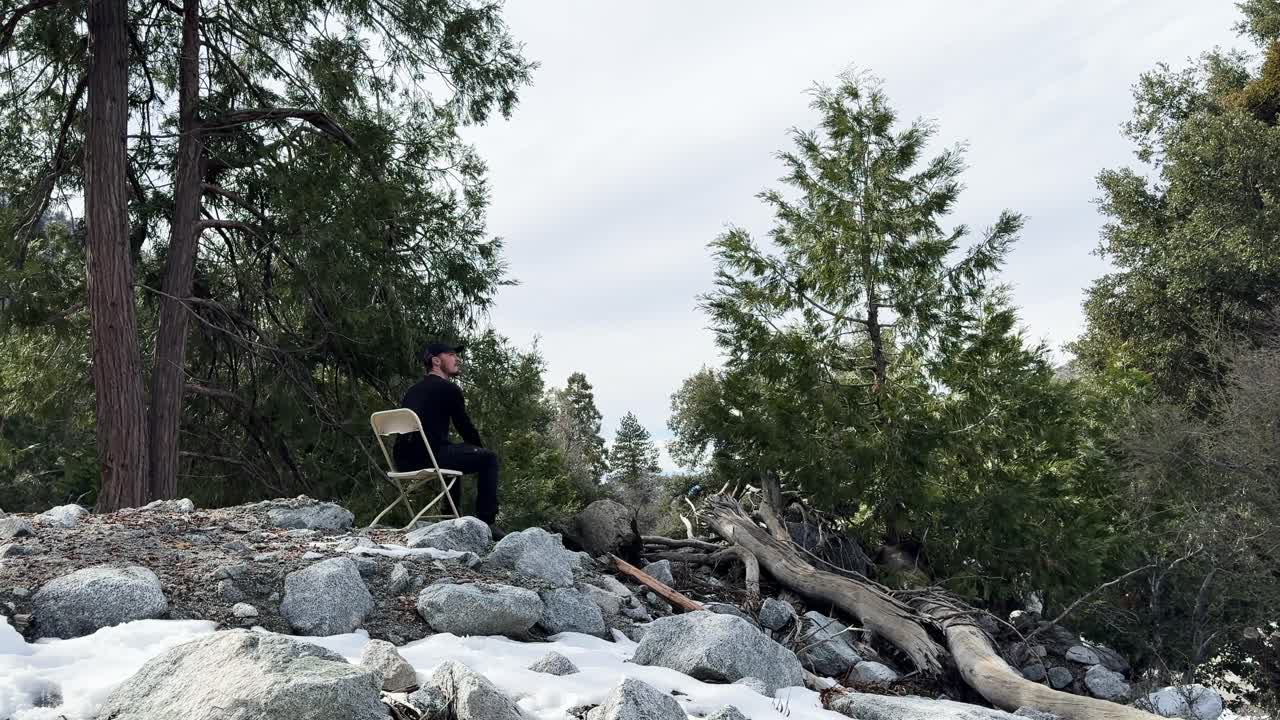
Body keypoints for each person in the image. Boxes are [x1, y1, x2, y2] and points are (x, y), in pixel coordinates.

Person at [394, 341, 501, 533]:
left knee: (453, 453)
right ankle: (488, 523)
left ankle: (449, 513)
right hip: (430, 457)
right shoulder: (449, 389)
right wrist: (480, 450)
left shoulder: (412, 390)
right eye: (451, 355)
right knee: (489, 458)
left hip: (403, 461)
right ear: (436, 361)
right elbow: (464, 427)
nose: (457, 358)